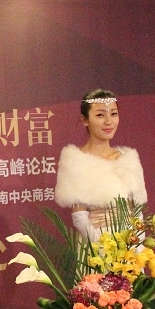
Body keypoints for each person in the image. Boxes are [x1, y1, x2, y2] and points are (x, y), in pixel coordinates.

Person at [54, 88, 147, 243]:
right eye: (100, 115)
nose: (108, 121)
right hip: (97, 247)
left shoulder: (128, 159)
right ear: (85, 120)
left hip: (131, 247)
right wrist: (107, 251)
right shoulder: (76, 161)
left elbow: (137, 213)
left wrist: (136, 247)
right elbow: (80, 219)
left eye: (113, 114)